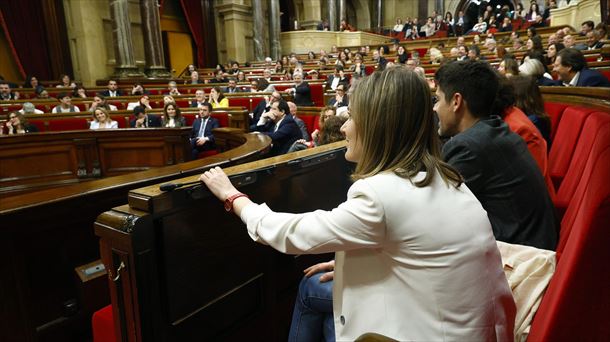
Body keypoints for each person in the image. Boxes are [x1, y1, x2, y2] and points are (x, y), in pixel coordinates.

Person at [199, 67, 516, 341]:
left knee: (313, 290)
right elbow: (424, 250)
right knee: (326, 299)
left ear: (377, 127)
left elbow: (290, 234)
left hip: (432, 331)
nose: (345, 128)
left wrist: (234, 197)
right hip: (475, 328)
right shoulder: (443, 175)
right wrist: (352, 262)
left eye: (351, 118)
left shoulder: (381, 194)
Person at [434, 60, 558, 250]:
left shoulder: (467, 147)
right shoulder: (495, 128)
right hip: (534, 242)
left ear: (456, 102)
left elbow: (437, 214)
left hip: (520, 256)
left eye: (438, 99)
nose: (435, 108)